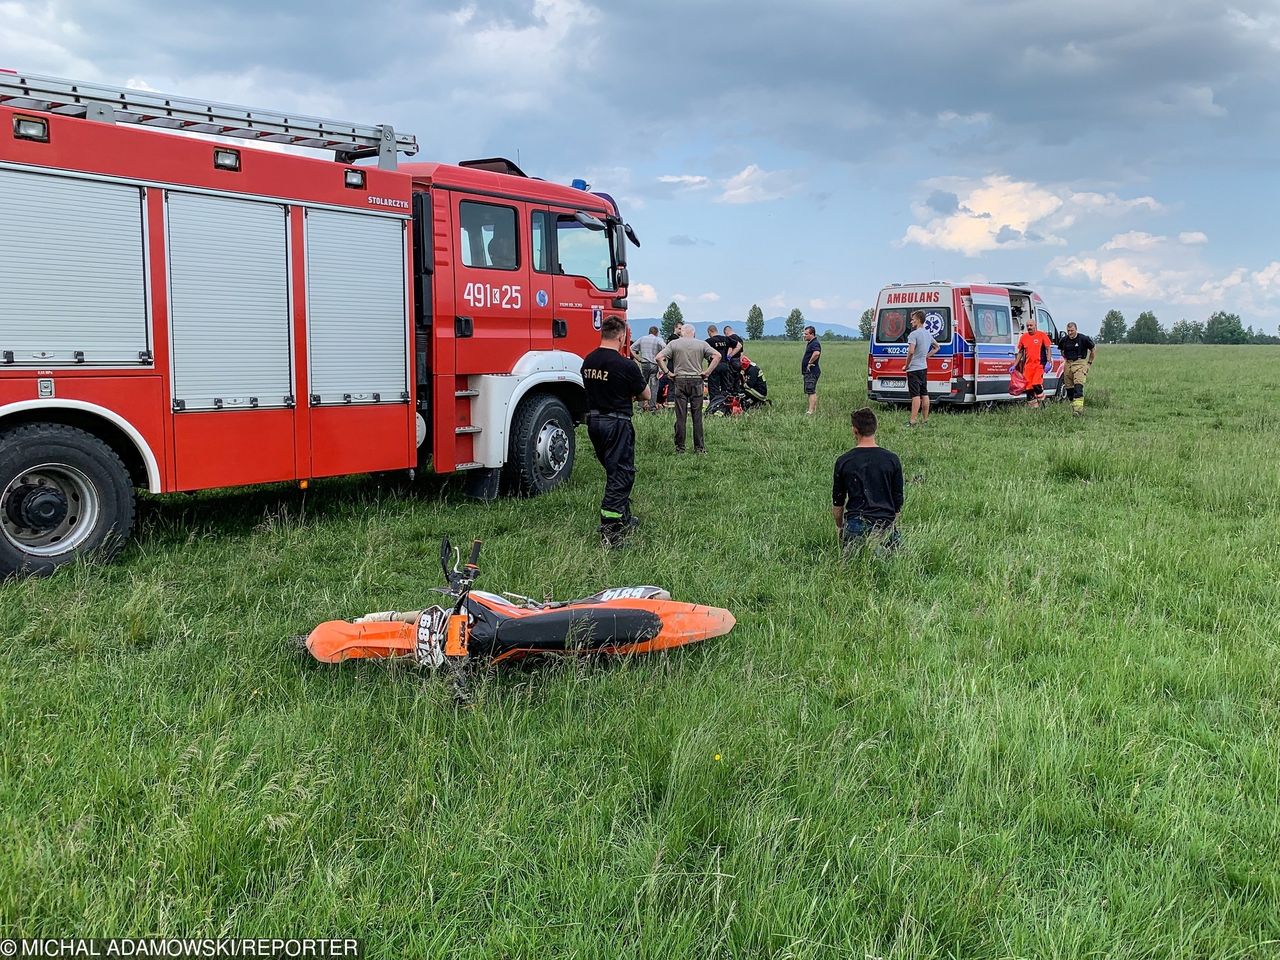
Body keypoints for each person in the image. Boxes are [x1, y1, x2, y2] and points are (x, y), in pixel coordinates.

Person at [581, 316, 649, 545]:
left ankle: (624, 517)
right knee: (621, 474)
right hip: (617, 423)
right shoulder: (626, 364)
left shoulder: (588, 361)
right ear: (621, 336)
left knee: (613, 470)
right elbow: (646, 395)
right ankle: (610, 531)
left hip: (594, 423)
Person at [833, 407, 903, 552]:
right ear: (875, 428)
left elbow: (838, 502)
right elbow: (898, 501)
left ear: (854, 430)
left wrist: (840, 527)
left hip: (855, 524)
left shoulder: (844, 461)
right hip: (886, 523)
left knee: (852, 566)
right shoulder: (891, 460)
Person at [656, 324, 719, 453]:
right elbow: (717, 356)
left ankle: (680, 448)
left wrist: (668, 373)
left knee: (681, 416)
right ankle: (699, 448)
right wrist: (707, 372)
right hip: (697, 380)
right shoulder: (701, 344)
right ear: (694, 333)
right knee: (697, 417)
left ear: (682, 333)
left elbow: (659, 358)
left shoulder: (674, 344)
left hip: (679, 380)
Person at [904, 310, 941, 426]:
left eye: (913, 319)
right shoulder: (928, 334)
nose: (911, 321)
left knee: (915, 396)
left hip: (913, 369)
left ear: (919, 320)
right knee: (924, 394)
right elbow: (937, 347)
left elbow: (910, 352)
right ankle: (925, 420)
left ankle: (913, 421)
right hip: (923, 368)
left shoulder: (913, 334)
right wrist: (926, 356)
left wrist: (907, 365)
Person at [1054, 321, 1097, 415]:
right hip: (1068, 363)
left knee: (1078, 386)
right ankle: (1074, 406)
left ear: (1076, 329)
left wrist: (1089, 363)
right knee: (1069, 389)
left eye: (1072, 331)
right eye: (1068, 331)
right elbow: (1061, 351)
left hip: (1080, 363)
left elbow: (1093, 349)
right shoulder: (1064, 340)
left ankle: (1078, 410)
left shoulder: (1083, 339)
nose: (1070, 333)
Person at [1016, 314, 1054, 409]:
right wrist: (1014, 365)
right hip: (1028, 367)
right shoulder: (1023, 337)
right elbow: (1020, 352)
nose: (1029, 327)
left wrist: (1048, 361)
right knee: (1028, 388)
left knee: (1036, 384)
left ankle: (1044, 403)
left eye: (1031, 325)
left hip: (1039, 365)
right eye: (1027, 326)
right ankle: (1034, 409)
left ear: (1035, 325)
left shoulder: (1042, 335)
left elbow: (1048, 348)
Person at [632, 325, 665, 412]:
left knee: (642, 385)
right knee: (654, 386)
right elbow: (665, 347)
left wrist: (637, 358)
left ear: (649, 332)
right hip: (654, 365)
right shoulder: (658, 339)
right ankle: (652, 408)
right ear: (657, 333)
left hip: (644, 364)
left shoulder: (642, 339)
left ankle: (640, 407)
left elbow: (631, 348)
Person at [704, 324, 734, 400]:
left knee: (714, 387)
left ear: (709, 332)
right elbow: (739, 345)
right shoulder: (726, 339)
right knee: (725, 386)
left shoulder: (708, 341)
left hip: (714, 366)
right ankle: (724, 403)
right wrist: (729, 356)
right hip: (725, 365)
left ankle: (714, 403)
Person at [801, 326, 822, 415]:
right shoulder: (811, 343)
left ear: (812, 334)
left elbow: (817, 353)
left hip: (812, 371)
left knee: (811, 391)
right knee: (809, 391)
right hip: (809, 371)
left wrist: (809, 363)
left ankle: (810, 411)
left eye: (806, 334)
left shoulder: (815, 343)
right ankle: (813, 409)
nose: (804, 336)